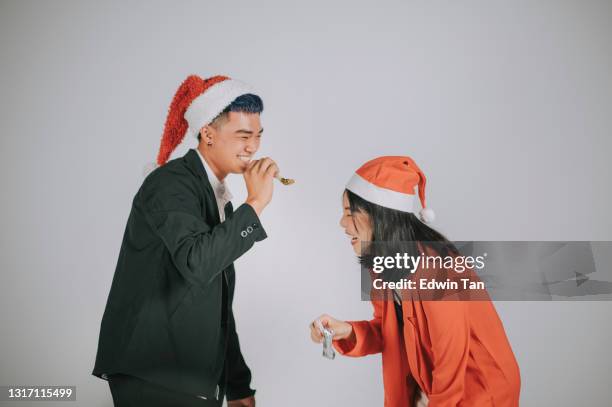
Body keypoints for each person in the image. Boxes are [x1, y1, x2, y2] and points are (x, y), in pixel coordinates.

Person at [93, 74, 278, 406]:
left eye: (258, 136)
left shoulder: (214, 194)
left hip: (189, 377)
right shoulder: (170, 184)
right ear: (207, 133)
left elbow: (216, 302)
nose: (253, 146)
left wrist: (237, 384)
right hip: (153, 374)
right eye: (243, 135)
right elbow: (198, 262)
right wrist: (255, 205)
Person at [310, 156, 521, 406]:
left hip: (480, 389)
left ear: (381, 217)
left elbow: (450, 357)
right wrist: (346, 330)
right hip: (433, 384)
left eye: (349, 213)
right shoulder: (382, 268)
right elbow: (389, 331)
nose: (342, 223)